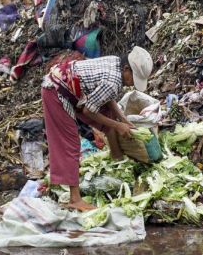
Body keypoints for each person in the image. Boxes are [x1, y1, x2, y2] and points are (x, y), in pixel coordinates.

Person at [40, 46, 153, 211]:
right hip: (56, 90)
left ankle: (117, 160)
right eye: (133, 78)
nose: (133, 84)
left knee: (110, 116)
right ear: (126, 69)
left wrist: (122, 119)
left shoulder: (116, 64)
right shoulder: (113, 80)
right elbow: (88, 110)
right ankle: (75, 199)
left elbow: (106, 98)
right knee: (70, 143)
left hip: (74, 88)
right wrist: (118, 125)